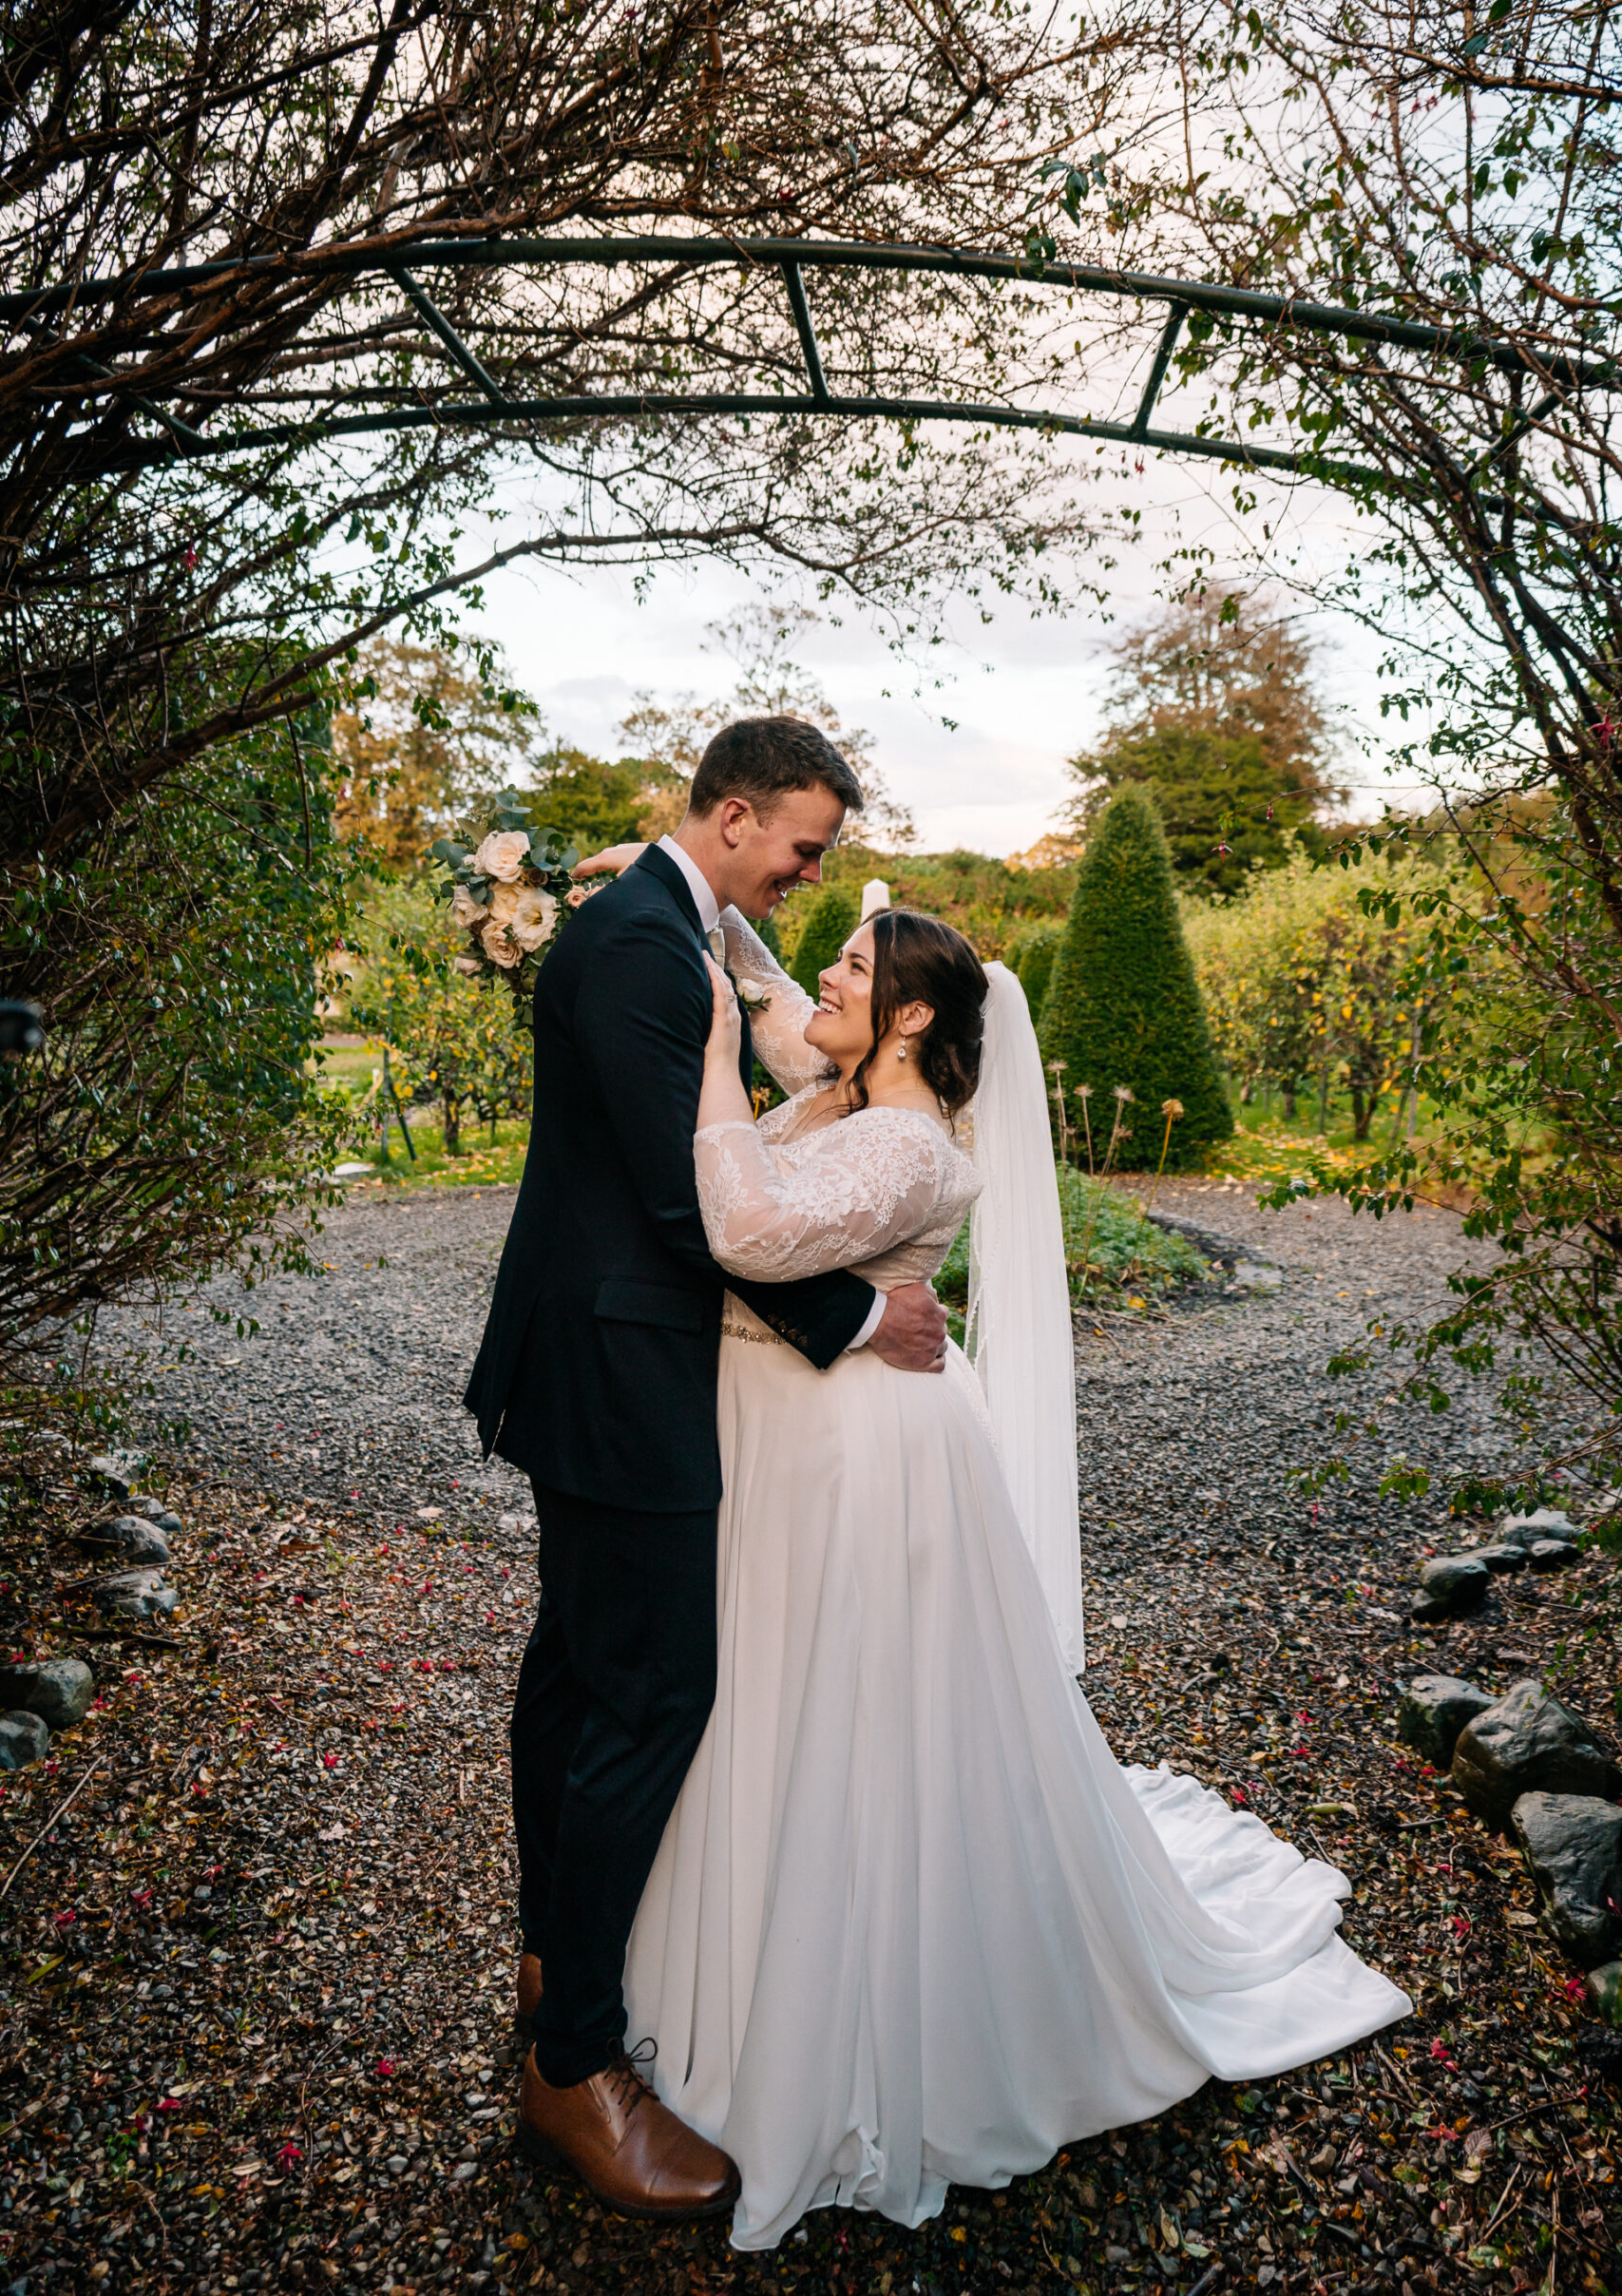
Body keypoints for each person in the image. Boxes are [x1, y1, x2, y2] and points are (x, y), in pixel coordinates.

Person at [562, 873, 1411, 2251]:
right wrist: (703, 913)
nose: (816, 985)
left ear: (903, 1020)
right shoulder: (850, 1096)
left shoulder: (904, 1146)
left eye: (848, 969)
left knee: (848, 1719)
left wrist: (712, 1054)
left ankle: (847, 2021)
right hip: (789, 1429)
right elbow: (787, 1013)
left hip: (855, 1453)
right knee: (764, 1699)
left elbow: (743, 1230)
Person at [464, 718, 949, 2219]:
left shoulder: (672, 920)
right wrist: (858, 1313)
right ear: (734, 816)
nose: (814, 875)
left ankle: (556, 1954)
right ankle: (578, 2063)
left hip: (614, 1358)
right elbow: (685, 1204)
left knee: (578, 1673)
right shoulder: (628, 950)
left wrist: (705, 912)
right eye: (803, 846)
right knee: (653, 1689)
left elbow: (745, 1007)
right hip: (620, 1369)